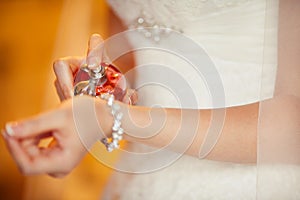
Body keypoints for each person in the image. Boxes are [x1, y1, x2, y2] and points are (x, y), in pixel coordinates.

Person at [2, 0, 300, 199]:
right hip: (144, 181)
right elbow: (137, 55)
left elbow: (294, 125)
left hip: (254, 178)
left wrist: (112, 117)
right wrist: (105, 84)